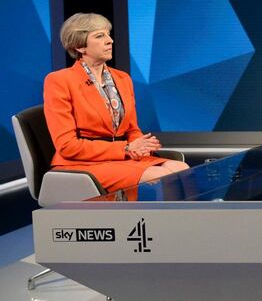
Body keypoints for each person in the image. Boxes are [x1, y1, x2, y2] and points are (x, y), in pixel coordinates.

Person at [43, 12, 189, 192]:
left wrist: (141, 145)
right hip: (82, 163)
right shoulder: (59, 81)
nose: (110, 40)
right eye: (99, 36)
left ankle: (198, 219)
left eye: (108, 34)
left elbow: (132, 129)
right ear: (80, 46)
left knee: (182, 170)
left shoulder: (122, 78)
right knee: (160, 176)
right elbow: (67, 146)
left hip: (122, 157)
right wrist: (126, 148)